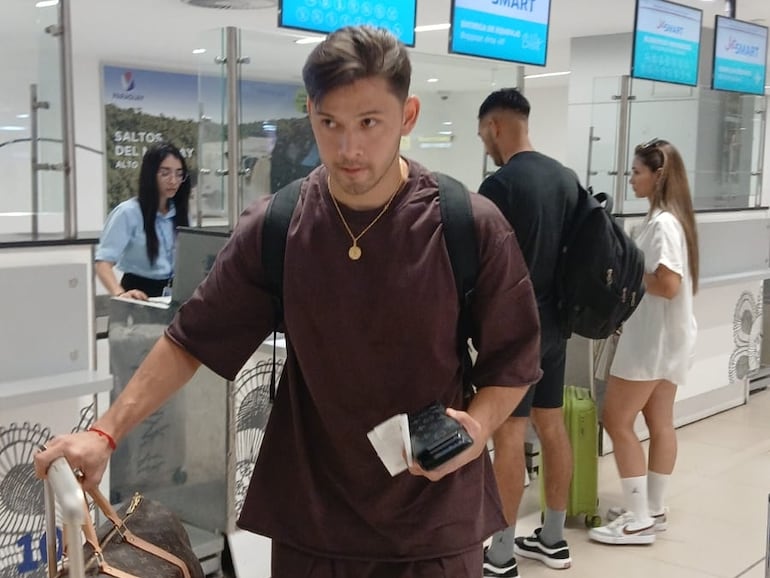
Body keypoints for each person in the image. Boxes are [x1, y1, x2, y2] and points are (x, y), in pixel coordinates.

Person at [36, 26, 544, 576]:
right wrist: (105, 431)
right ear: (311, 115)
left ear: (409, 115)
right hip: (313, 521)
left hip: (432, 524)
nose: (349, 148)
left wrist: (477, 428)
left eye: (370, 123)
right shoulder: (278, 226)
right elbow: (191, 340)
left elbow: (512, 361)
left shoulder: (465, 225)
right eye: (330, 124)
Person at [475, 88, 578, 577]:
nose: (485, 146)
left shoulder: (501, 186)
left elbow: (479, 266)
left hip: (515, 329)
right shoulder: (566, 178)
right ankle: (554, 538)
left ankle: (500, 553)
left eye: (483, 135)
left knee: (509, 436)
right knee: (552, 426)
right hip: (558, 324)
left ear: (496, 126)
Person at [588, 138, 699, 545]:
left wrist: (627, 280)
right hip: (668, 338)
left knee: (616, 420)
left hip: (651, 340)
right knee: (659, 421)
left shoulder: (664, 224)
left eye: (636, 172)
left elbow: (667, 284)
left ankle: (637, 519)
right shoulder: (670, 220)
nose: (630, 179)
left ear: (658, 175)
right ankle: (652, 508)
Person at [94, 143, 191, 300]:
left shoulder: (180, 213)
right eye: (165, 173)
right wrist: (120, 294)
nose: (173, 181)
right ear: (150, 174)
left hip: (174, 292)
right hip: (138, 291)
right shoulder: (128, 212)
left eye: (179, 174)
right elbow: (103, 263)